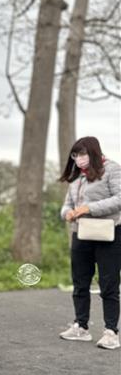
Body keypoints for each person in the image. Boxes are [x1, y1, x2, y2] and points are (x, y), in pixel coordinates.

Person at [59, 136, 121, 350]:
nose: (78, 159)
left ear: (93, 152)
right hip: (81, 233)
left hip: (109, 234)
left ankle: (111, 332)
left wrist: (89, 208)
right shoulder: (77, 176)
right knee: (80, 282)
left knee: (108, 284)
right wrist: (67, 213)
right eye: (75, 155)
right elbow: (67, 204)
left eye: (82, 154)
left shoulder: (112, 169)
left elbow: (119, 198)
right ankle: (81, 327)